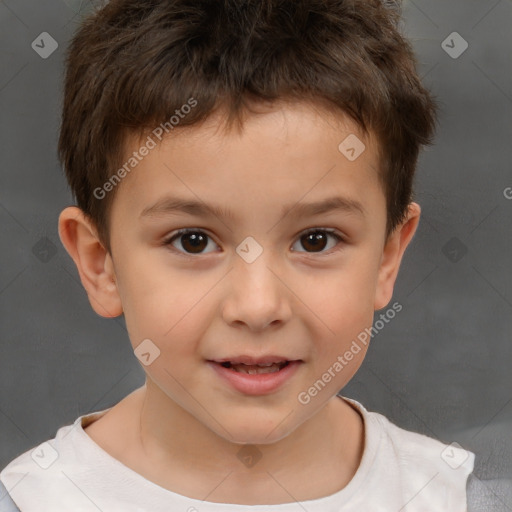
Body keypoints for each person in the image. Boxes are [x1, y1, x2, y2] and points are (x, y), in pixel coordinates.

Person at [0, 0, 479, 510]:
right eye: (193, 240)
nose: (257, 307)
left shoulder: (454, 495)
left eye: (315, 240)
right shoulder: (34, 499)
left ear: (387, 257)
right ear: (101, 264)